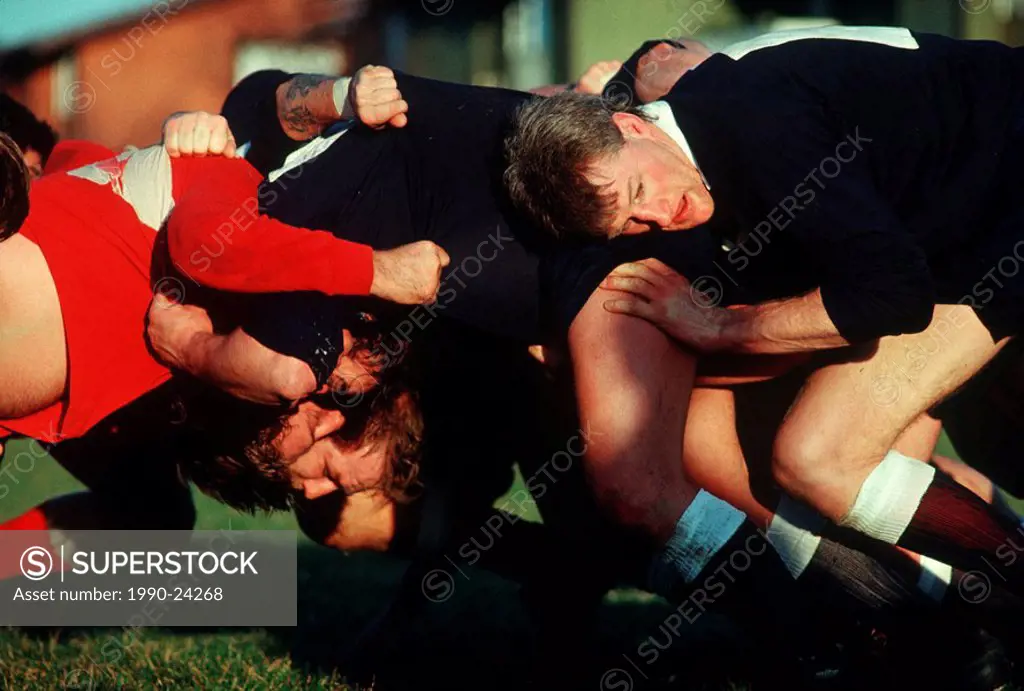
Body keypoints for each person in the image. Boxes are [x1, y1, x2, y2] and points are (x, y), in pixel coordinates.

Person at [504, 26, 1024, 591]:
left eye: (635, 193)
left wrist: (723, 327)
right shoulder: (701, 155)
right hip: (957, 248)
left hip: (997, 213)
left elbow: (891, 294)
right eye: (629, 224)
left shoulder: (749, 122)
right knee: (811, 455)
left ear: (631, 125)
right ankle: (958, 631)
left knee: (824, 455)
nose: (655, 216)